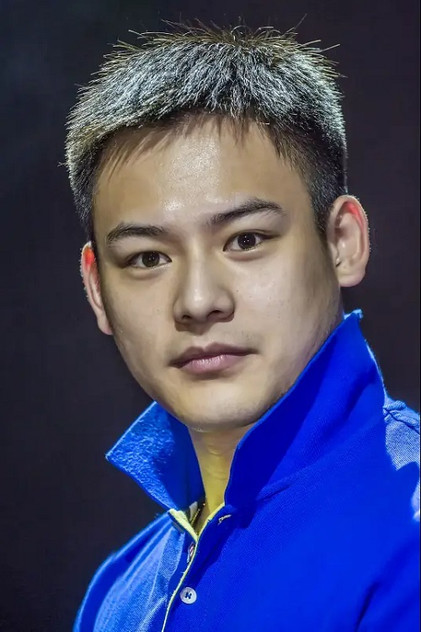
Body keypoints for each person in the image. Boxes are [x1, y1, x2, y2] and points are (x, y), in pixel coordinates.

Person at [65, 24, 419, 632]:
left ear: (342, 242)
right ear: (98, 289)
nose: (198, 301)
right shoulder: (117, 595)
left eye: (246, 240)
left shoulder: (405, 540)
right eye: (148, 257)